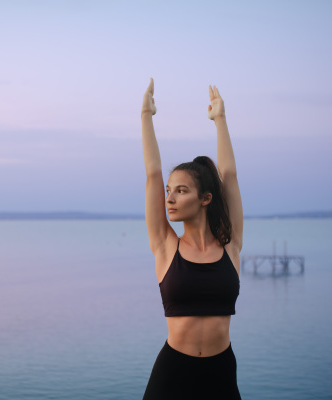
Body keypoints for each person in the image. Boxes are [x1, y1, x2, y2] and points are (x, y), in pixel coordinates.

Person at [141, 78, 243, 399]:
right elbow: (153, 175)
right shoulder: (165, 245)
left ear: (206, 198)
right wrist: (146, 116)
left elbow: (230, 177)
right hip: (173, 374)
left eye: (181, 191)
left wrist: (220, 121)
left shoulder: (231, 245)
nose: (169, 198)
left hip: (220, 374)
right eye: (169, 191)